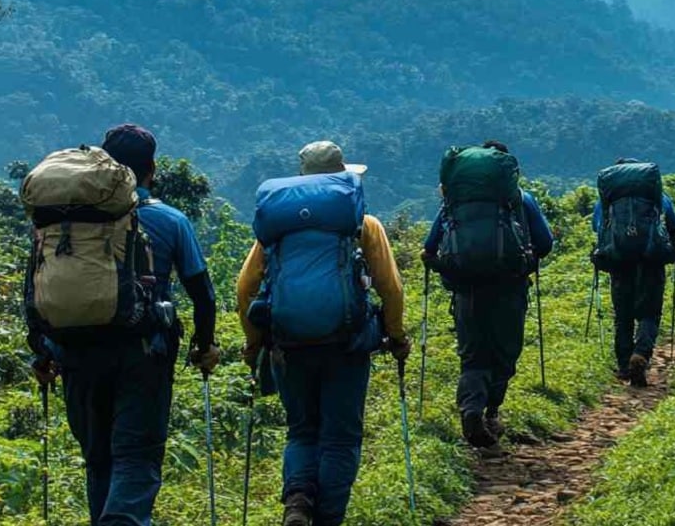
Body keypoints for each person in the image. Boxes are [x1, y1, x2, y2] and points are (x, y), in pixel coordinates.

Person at [28, 123, 220, 526]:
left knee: (98, 460)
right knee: (136, 457)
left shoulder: (63, 221)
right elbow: (202, 294)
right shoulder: (170, 220)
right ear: (151, 169)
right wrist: (205, 346)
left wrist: (41, 350)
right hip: (142, 352)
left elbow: (37, 286)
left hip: (75, 351)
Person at [237, 141, 409, 526]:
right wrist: (396, 336)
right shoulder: (362, 224)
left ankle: (298, 500)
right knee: (340, 437)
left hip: (288, 344)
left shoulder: (278, 227)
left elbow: (245, 287)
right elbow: (391, 288)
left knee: (301, 431)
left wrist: (254, 342)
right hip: (346, 345)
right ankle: (329, 518)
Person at [422, 140, 553, 449]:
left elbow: (430, 246)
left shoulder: (454, 203)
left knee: (472, 355)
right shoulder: (522, 200)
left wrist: (441, 263)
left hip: (466, 290)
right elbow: (545, 242)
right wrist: (526, 261)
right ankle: (491, 412)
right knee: (504, 353)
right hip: (510, 288)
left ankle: (471, 409)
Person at [592, 158, 675, 387]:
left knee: (623, 316)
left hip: (620, 262)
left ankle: (624, 366)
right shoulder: (658, 197)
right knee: (649, 313)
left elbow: (598, 227)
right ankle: (641, 354)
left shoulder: (608, 201)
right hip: (652, 260)